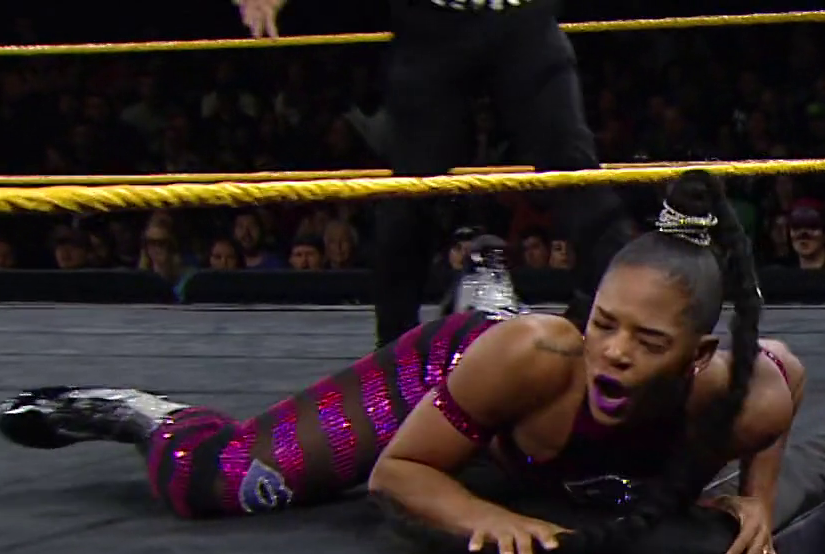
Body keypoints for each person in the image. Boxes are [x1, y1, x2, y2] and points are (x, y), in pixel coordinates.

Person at [0, 172, 801, 554]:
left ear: (698, 356)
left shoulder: (742, 395)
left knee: (522, 351)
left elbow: (783, 380)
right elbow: (399, 474)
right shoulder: (548, 358)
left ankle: (486, 279)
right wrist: (486, 516)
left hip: (517, 384)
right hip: (459, 367)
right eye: (605, 324)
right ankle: (139, 412)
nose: (615, 353)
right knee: (227, 482)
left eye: (648, 341)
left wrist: (758, 502)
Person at [235, 0, 638, 344]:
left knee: (573, 167)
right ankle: (392, 351)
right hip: (432, 27)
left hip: (521, 20)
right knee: (411, 192)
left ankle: (620, 313)